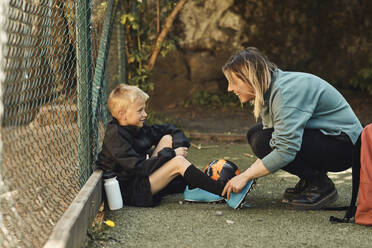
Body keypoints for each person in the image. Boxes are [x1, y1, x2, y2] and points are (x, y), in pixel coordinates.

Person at [221, 47, 363, 210]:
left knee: (261, 140)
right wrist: (248, 175)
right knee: (256, 134)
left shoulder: (285, 93)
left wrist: (246, 176)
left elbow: (284, 150)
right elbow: (275, 141)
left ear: (250, 78)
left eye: (233, 82)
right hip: (330, 140)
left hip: (345, 148)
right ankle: (311, 180)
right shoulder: (270, 90)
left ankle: (320, 185)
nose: (229, 88)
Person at [96, 84, 250, 208]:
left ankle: (192, 184)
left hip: (141, 178)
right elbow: (138, 168)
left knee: (167, 138)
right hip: (131, 191)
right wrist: (172, 155)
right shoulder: (115, 136)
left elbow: (171, 130)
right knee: (178, 162)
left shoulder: (135, 126)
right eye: (140, 110)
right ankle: (224, 192)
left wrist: (177, 147)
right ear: (122, 114)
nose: (145, 114)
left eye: (144, 109)